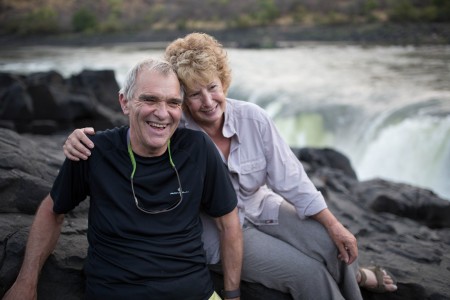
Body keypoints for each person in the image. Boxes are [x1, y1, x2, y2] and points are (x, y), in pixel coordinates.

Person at [63, 33, 398, 299]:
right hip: (219, 229)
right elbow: (131, 129)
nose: (207, 102)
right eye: (194, 94)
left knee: (329, 244)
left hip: (262, 206)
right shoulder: (172, 131)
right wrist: (79, 138)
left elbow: (292, 179)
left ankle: (357, 282)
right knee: (307, 273)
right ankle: (350, 280)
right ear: (181, 97)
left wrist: (334, 224)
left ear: (224, 81)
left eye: (213, 87)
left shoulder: (253, 117)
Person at [3, 58, 243, 300]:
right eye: (149, 99)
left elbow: (228, 222)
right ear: (125, 102)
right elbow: (52, 210)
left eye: (173, 103)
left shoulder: (198, 149)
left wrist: (232, 295)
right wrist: (26, 283)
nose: (162, 113)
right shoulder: (92, 151)